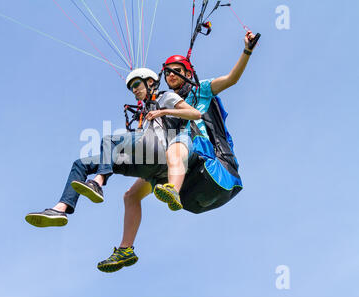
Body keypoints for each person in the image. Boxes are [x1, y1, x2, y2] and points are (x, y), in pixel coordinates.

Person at [97, 31, 259, 273]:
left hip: (200, 150)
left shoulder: (201, 89)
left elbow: (231, 79)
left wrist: (246, 51)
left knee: (178, 146)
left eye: (176, 70)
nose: (171, 75)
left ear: (186, 72)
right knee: (130, 196)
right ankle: (126, 249)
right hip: (175, 159)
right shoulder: (167, 99)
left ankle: (172, 188)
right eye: (168, 71)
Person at [24, 68, 199, 231]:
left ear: (151, 82)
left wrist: (162, 112)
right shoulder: (144, 113)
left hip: (160, 151)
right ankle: (60, 208)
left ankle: (98, 182)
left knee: (110, 140)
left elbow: (195, 114)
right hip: (145, 162)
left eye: (137, 84)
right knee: (81, 164)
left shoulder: (166, 97)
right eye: (131, 88)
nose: (134, 90)